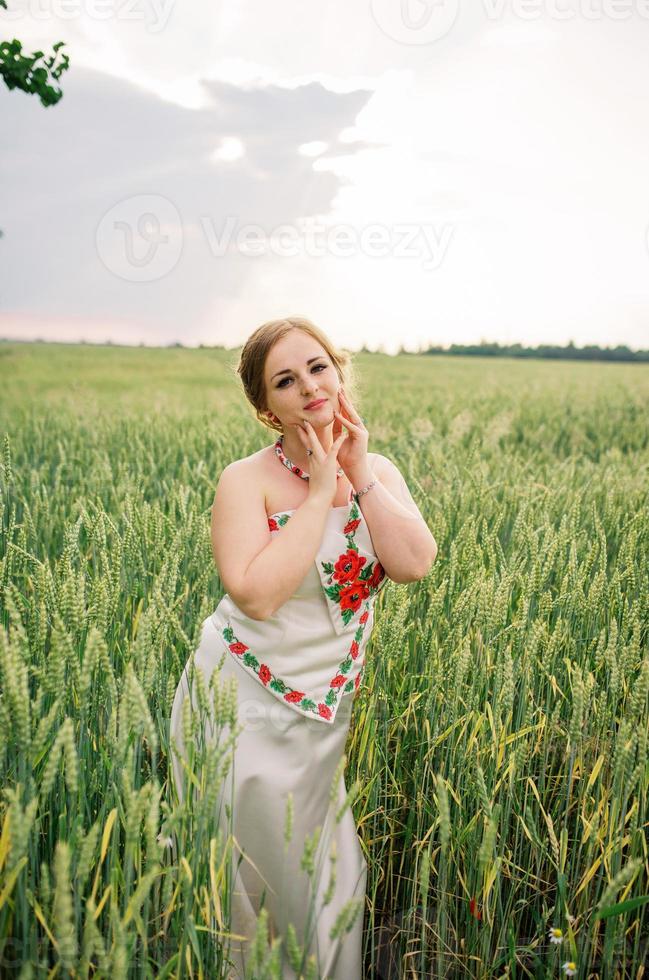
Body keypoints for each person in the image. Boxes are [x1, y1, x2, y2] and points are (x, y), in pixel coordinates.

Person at [168, 316, 437, 979]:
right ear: (267, 408)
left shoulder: (377, 470)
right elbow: (256, 595)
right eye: (285, 380)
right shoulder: (245, 480)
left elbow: (412, 563)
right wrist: (319, 493)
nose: (309, 386)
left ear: (339, 370)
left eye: (317, 366)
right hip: (242, 698)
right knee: (251, 868)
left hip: (324, 704)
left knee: (322, 869)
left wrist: (356, 471)